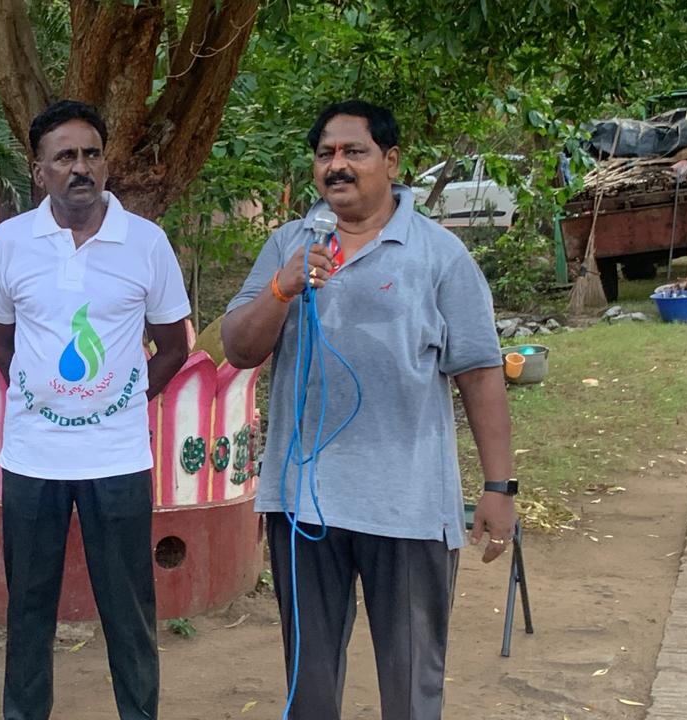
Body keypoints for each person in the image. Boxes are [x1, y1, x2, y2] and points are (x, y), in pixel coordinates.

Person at [220, 99, 517, 720]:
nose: (338, 165)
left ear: (391, 160)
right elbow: (240, 349)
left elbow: (481, 374)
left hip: (407, 505)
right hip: (304, 505)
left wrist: (498, 488)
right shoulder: (289, 244)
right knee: (309, 688)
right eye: (325, 154)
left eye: (354, 151)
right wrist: (282, 287)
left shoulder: (439, 254)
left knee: (410, 688)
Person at [0, 99, 191, 720]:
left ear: (105, 163)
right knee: (28, 608)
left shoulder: (145, 243)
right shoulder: (11, 242)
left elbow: (174, 346)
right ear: (38, 170)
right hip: (32, 459)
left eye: (91, 154)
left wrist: (121, 401)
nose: (80, 167)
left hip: (117, 460)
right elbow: (0, 337)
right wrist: (43, 398)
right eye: (64, 156)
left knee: (129, 610)